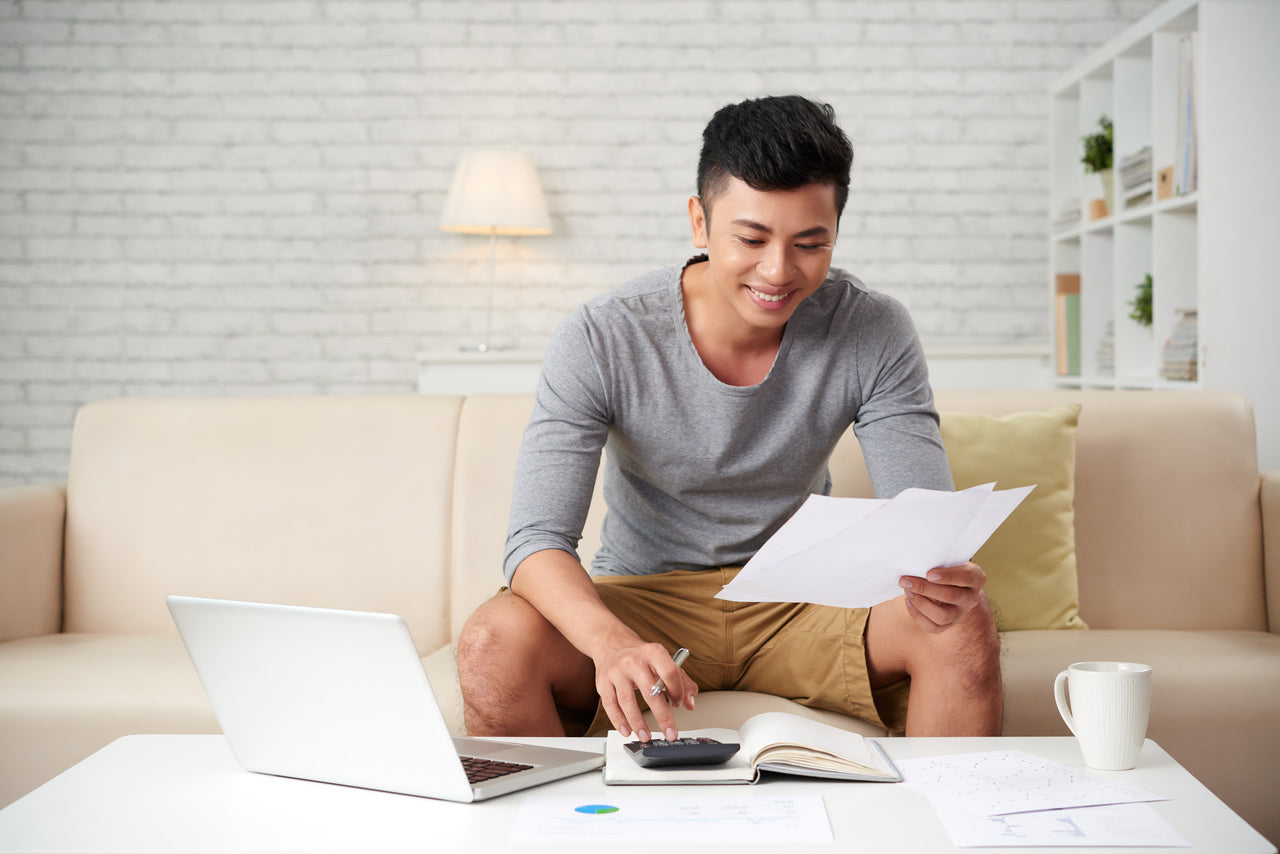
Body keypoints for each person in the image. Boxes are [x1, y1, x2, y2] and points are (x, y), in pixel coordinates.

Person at [457, 95, 1001, 746]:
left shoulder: (871, 329)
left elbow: (923, 519)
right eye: (751, 238)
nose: (778, 271)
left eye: (809, 243)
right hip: (644, 593)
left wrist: (940, 572)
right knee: (492, 641)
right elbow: (535, 540)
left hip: (804, 599)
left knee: (960, 626)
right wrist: (610, 644)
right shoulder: (603, 335)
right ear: (699, 221)